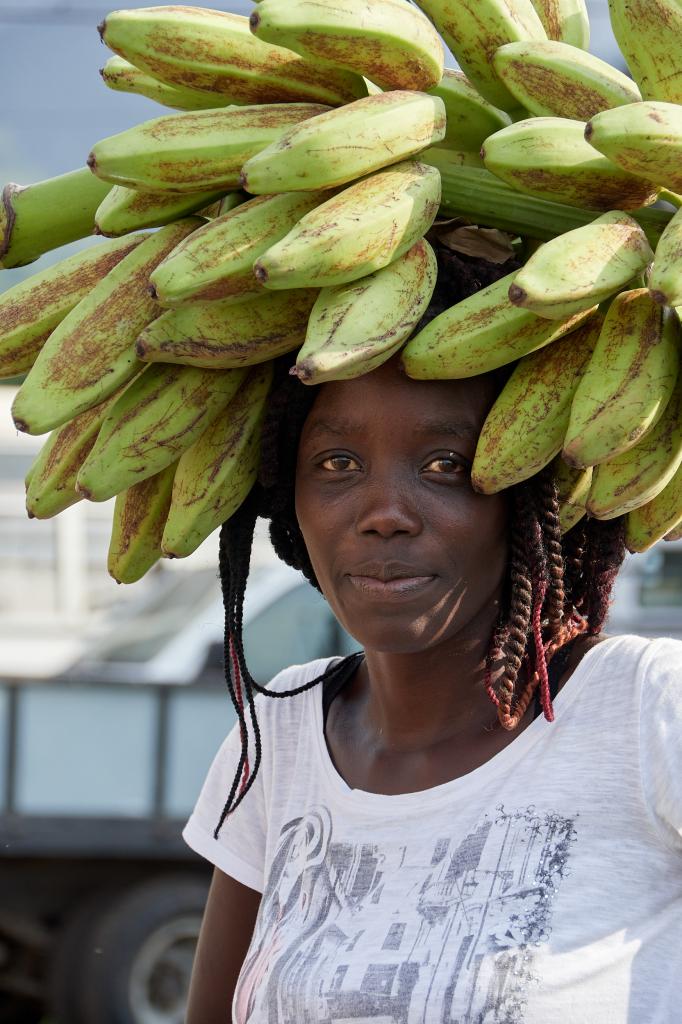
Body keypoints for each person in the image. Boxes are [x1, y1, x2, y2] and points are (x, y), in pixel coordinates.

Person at [182, 245, 682, 1024]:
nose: (384, 511)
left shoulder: (646, 712)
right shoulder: (279, 731)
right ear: (290, 500)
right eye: (338, 462)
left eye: (446, 465)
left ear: (529, 495)